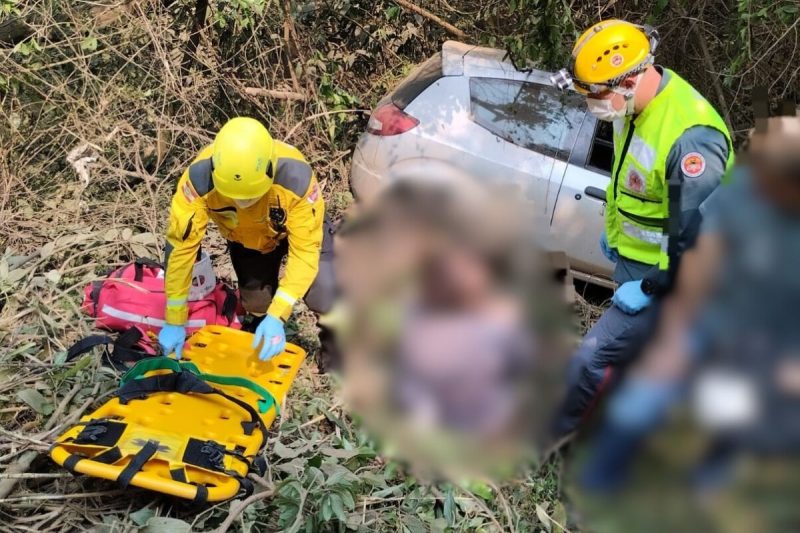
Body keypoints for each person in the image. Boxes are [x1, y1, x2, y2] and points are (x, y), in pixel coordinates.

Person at [549, 20, 734, 437]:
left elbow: (700, 236)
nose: (590, 105)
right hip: (639, 264)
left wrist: (651, 288)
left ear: (629, 79)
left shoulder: (691, 140)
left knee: (591, 359)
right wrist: (616, 236)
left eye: (594, 95)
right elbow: (632, 186)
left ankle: (554, 441)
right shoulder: (631, 107)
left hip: (674, 282)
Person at [157, 116, 336, 366]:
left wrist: (279, 314)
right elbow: (181, 249)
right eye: (233, 198)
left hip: (295, 229)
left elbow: (305, 253)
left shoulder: (297, 180)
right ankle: (261, 336)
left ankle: (335, 351)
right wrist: (174, 319)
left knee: (326, 292)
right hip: (248, 240)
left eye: (251, 197)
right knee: (256, 302)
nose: (242, 204)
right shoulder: (197, 183)